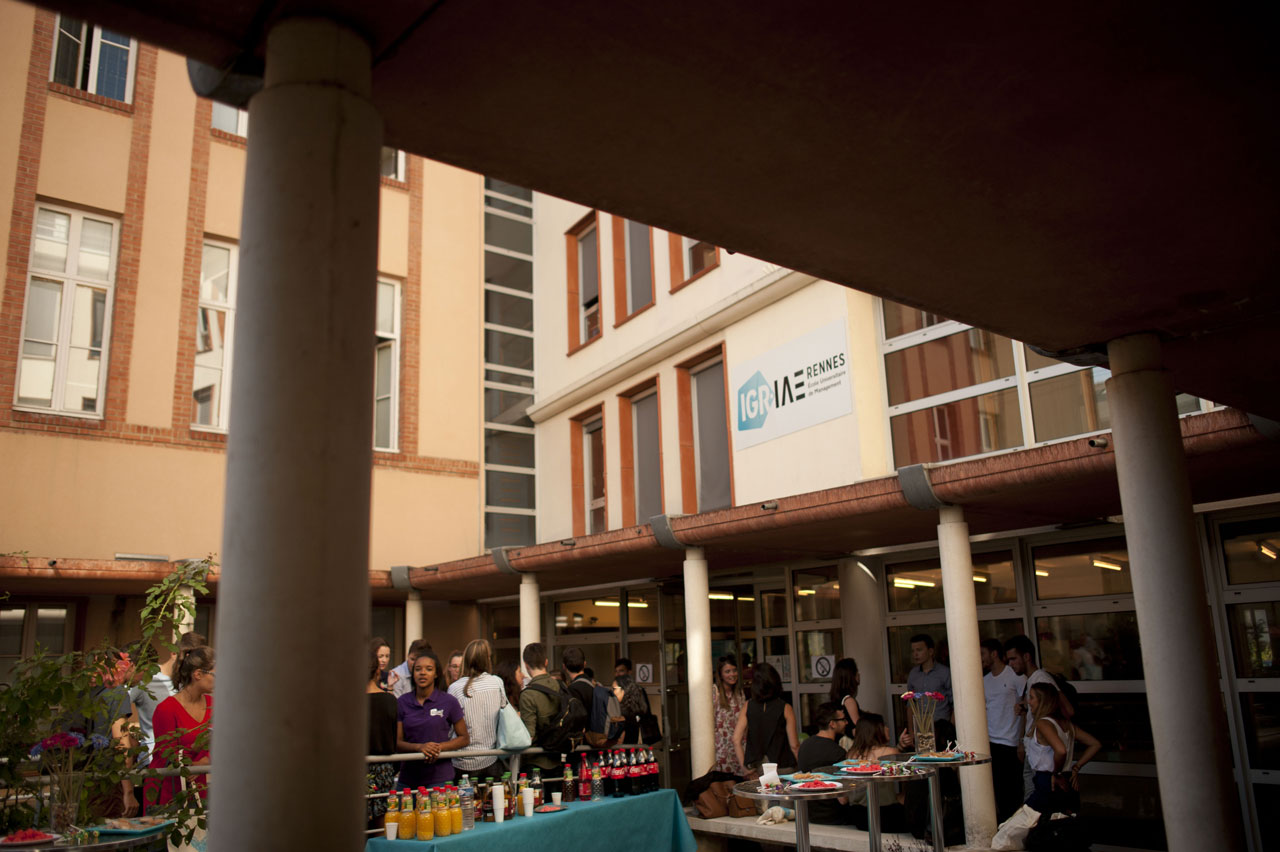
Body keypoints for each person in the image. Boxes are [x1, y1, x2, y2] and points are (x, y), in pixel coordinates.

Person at [145, 645, 214, 810]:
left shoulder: (214, 705)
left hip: (198, 784)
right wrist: (195, 756)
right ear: (198, 674)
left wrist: (204, 762)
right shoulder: (167, 708)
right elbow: (166, 752)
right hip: (169, 787)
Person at [395, 650, 469, 789]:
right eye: (418, 669)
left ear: (436, 674)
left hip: (439, 777)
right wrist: (419, 747)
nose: (422, 673)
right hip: (408, 779)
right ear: (413, 674)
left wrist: (438, 748)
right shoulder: (402, 702)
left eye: (428, 669)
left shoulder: (449, 701)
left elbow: (464, 738)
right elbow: (397, 742)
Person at [1024, 683, 1100, 815]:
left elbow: (1061, 750)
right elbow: (1095, 744)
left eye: (1031, 697)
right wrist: (1076, 767)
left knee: (1022, 825)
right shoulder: (1066, 724)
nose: (1028, 701)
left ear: (1042, 701)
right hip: (1067, 778)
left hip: (1049, 780)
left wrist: (1055, 773)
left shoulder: (1043, 723)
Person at [130, 631, 204, 767]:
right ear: (173, 653)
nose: (189, 663)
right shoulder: (147, 677)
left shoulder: (191, 685)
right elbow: (117, 706)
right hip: (153, 763)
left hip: (187, 765)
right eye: (186, 656)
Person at [1005, 634, 1062, 798]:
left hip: (1042, 754)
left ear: (1027, 656)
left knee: (1034, 804)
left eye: (1013, 659)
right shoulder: (1031, 680)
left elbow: (1063, 710)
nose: (1011, 664)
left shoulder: (1041, 679)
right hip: (1034, 750)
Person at [981, 636, 1025, 822]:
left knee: (1013, 793)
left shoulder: (1015, 676)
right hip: (991, 743)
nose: (979, 658)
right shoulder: (983, 680)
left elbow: (1026, 708)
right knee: (996, 791)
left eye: (982, 654)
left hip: (1011, 743)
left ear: (994, 654)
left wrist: (1021, 741)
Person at [448, 639, 505, 778]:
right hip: (491, 758)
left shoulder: (455, 688)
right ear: (488, 660)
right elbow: (504, 712)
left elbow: (449, 728)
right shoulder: (496, 682)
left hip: (461, 762)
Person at [845, 713, 908, 832]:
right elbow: (905, 777)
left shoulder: (851, 754)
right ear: (877, 730)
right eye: (884, 725)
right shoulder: (889, 752)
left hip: (859, 816)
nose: (888, 728)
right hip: (885, 815)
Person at [733, 661, 798, 775]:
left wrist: (745, 769)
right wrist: (802, 767)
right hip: (783, 766)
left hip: (758, 768)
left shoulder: (748, 706)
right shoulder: (785, 707)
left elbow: (736, 740)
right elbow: (794, 745)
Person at [795, 702, 851, 824]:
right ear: (832, 724)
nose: (846, 722)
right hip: (834, 816)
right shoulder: (837, 752)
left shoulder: (805, 745)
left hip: (809, 812)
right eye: (843, 719)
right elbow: (843, 799)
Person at [898, 633, 953, 749]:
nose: (915, 654)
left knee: (944, 763)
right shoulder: (913, 674)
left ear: (930, 651)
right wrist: (911, 731)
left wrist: (951, 727)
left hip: (941, 728)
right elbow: (910, 704)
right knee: (925, 762)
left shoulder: (944, 672)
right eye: (913, 651)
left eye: (919, 650)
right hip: (921, 728)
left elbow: (954, 703)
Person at [366, 641, 398, 829]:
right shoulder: (390, 700)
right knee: (381, 825)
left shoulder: (347, 702)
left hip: (356, 769)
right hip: (383, 768)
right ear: (378, 671)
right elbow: (395, 737)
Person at [517, 643, 561, 773]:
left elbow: (528, 736)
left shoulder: (528, 694)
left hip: (535, 762)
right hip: (557, 758)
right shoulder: (559, 686)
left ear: (526, 664)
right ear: (546, 662)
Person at [712, 655, 746, 774]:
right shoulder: (714, 692)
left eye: (734, 670)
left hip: (739, 748)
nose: (732, 674)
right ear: (720, 674)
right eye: (727, 671)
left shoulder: (739, 693)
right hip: (722, 751)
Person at [610, 674, 648, 745]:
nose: (612, 692)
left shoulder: (622, 715)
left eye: (614, 689)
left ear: (624, 690)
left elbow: (618, 740)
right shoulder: (635, 713)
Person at [829, 657, 862, 727]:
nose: (859, 674)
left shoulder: (838, 697)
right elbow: (859, 726)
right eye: (857, 671)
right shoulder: (849, 700)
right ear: (850, 676)